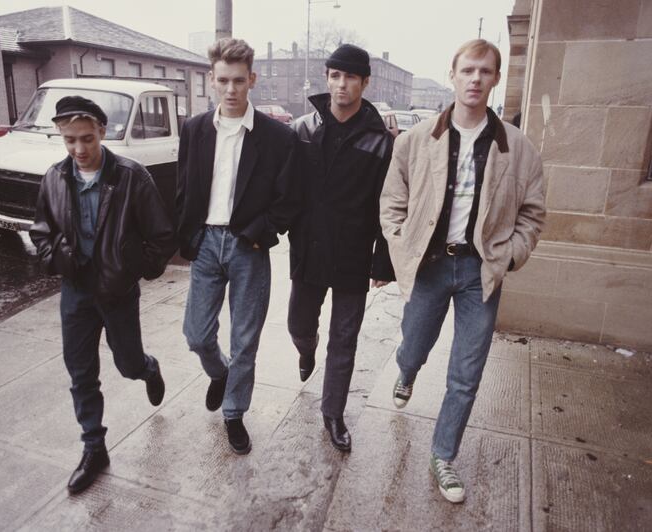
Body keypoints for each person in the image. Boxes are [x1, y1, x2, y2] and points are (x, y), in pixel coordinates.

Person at [379, 39, 545, 503]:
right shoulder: (415, 140)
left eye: (485, 72)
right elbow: (392, 202)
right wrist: (400, 243)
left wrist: (511, 253)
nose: (476, 79)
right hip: (429, 266)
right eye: (468, 70)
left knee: (467, 371)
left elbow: (533, 213)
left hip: (481, 272)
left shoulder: (518, 147)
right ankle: (407, 371)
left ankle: (443, 455)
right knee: (413, 346)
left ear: (495, 79)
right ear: (453, 74)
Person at [30, 95, 176, 494]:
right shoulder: (55, 177)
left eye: (87, 139)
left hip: (116, 290)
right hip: (75, 290)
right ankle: (94, 447)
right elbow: (41, 231)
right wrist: (56, 259)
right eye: (70, 140)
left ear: (102, 132)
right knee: (81, 373)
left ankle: (147, 368)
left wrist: (134, 267)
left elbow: (162, 235)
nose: (79, 149)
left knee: (126, 363)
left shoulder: (131, 176)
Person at [176, 38, 298, 455]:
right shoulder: (194, 130)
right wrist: (188, 236)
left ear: (253, 80)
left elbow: (288, 200)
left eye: (239, 81)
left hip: (250, 247)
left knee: (245, 338)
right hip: (207, 243)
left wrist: (258, 233)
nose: (231, 89)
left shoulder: (277, 138)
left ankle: (234, 413)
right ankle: (219, 373)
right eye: (223, 80)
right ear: (212, 80)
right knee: (196, 333)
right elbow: (184, 188)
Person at [288, 44, 394, 452]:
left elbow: (388, 204)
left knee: (345, 338)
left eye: (351, 77)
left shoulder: (381, 142)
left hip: (353, 252)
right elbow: (286, 186)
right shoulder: (303, 129)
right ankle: (305, 349)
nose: (342, 84)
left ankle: (333, 413)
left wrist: (382, 260)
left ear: (365, 83)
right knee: (299, 322)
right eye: (335, 75)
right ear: (327, 78)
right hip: (310, 248)